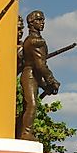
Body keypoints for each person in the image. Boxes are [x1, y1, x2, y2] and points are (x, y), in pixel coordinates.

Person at [18, 10, 60, 142]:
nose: (42, 22)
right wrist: (52, 80)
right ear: (31, 23)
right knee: (32, 104)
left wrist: (45, 85)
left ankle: (22, 131)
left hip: (33, 75)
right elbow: (40, 65)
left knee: (29, 105)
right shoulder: (36, 41)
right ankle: (26, 133)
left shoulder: (31, 40)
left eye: (42, 20)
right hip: (30, 74)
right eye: (39, 20)